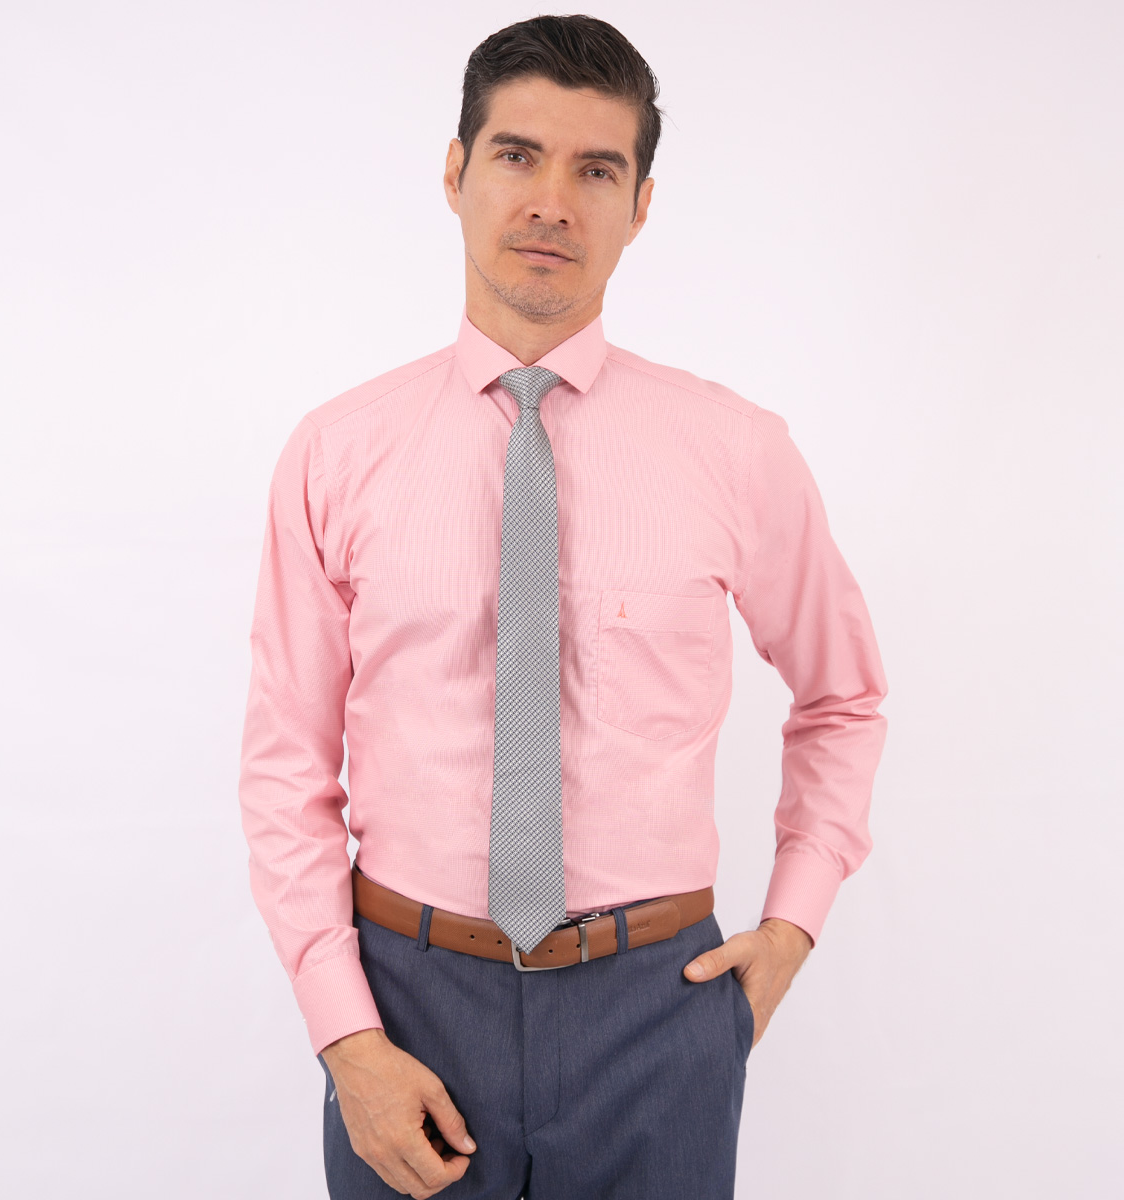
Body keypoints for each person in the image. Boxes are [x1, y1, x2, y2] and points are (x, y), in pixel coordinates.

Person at [237, 14, 888, 1199]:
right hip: (406, 1005)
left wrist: (791, 927)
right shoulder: (336, 454)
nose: (552, 203)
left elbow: (843, 696)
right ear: (455, 172)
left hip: (659, 1007)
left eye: (596, 170)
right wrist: (345, 1036)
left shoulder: (738, 452)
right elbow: (285, 762)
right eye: (517, 155)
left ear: (640, 206)